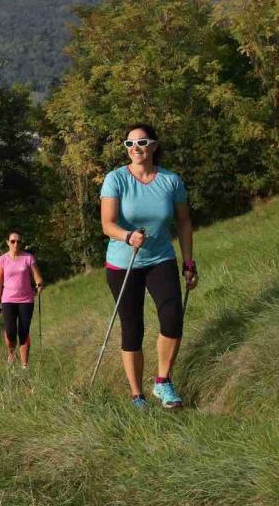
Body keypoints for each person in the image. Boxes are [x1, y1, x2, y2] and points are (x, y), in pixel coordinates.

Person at [100, 123, 198, 409]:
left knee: (172, 318)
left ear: (154, 146)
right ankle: (136, 396)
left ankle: (163, 382)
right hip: (123, 262)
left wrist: (188, 261)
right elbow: (107, 224)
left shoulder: (171, 181)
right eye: (129, 144)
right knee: (132, 327)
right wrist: (127, 236)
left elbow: (183, 222)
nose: (136, 149)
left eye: (142, 143)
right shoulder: (115, 179)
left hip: (160, 258)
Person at [0, 230, 43, 369]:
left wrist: (39, 283)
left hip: (26, 300)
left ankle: (25, 365)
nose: (16, 244)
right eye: (13, 241)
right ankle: (11, 353)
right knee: (10, 331)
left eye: (19, 241)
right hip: (8, 300)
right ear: (7, 242)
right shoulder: (2, 260)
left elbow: (37, 275)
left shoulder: (28, 258)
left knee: (24, 331)